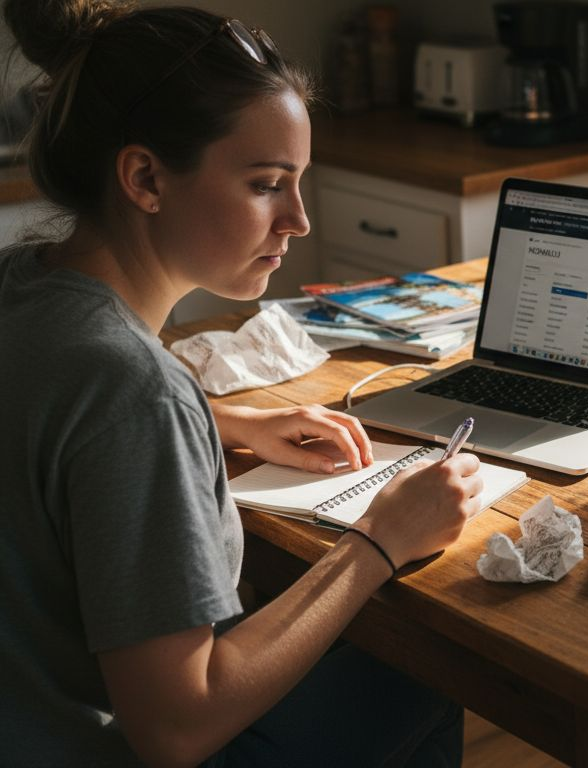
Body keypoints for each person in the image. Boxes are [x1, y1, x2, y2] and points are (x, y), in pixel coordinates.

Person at [0, 1, 482, 765]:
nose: (298, 220)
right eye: (266, 184)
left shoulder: (22, 290)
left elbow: (53, 408)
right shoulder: (133, 390)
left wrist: (227, 425)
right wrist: (378, 542)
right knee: (416, 682)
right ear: (146, 178)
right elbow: (175, 728)